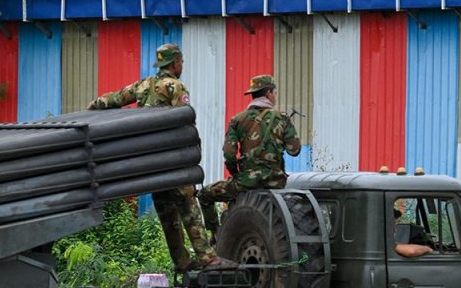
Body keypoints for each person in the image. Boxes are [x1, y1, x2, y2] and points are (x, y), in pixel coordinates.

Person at [88, 43, 236, 272]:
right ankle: (208, 259)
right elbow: (186, 121)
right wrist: (192, 155)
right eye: (181, 62)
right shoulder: (175, 87)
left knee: (167, 215)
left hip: (151, 164)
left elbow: (114, 99)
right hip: (173, 160)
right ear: (175, 63)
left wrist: (94, 106)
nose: (182, 66)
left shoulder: (143, 85)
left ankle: (182, 262)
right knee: (188, 207)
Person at [198, 75, 302, 238]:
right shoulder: (282, 118)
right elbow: (294, 151)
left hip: (246, 184)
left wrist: (235, 174)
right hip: (276, 182)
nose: (275, 96)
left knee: (204, 194)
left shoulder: (237, 120)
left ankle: (216, 234)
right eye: (274, 92)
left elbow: (229, 154)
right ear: (268, 93)